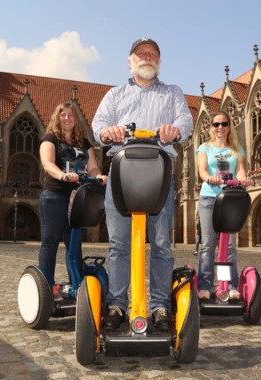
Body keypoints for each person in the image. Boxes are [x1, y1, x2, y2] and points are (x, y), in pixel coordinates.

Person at [92, 37, 193, 331]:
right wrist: (108, 132)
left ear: (158, 61)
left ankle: (160, 305)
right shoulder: (115, 95)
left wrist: (175, 129)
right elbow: (98, 127)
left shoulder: (172, 93)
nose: (147, 57)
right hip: (122, 172)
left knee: (161, 244)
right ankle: (117, 306)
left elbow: (185, 123)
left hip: (159, 171)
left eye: (152, 54)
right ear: (130, 60)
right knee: (119, 244)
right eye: (141, 53)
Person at [39, 101, 107, 300]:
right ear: (57, 118)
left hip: (78, 198)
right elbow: (47, 163)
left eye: (71, 115)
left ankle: (77, 287)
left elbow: (92, 167)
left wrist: (99, 176)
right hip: (55, 195)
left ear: (76, 119)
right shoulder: (50, 139)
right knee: (50, 242)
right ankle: (46, 287)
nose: (67, 118)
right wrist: (63, 175)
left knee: (75, 245)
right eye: (63, 115)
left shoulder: (83, 143)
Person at [195, 111, 247, 300]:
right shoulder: (204, 148)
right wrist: (210, 178)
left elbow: (240, 171)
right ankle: (205, 286)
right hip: (209, 198)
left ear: (229, 126)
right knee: (208, 243)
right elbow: (202, 170)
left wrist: (243, 180)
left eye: (224, 124)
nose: (220, 128)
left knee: (230, 246)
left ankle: (230, 285)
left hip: (230, 199)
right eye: (216, 124)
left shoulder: (236, 149)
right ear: (211, 127)